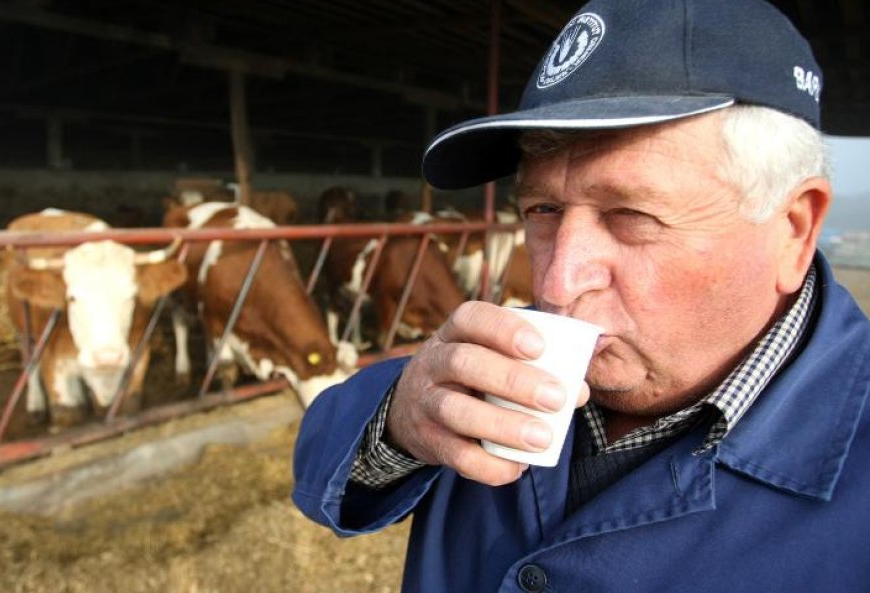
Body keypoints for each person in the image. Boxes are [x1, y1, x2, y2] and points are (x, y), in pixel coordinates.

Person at [293, 0, 870, 591]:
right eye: (542, 209)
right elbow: (320, 460)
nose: (554, 285)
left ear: (793, 229)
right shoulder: (503, 358)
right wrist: (400, 422)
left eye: (631, 215)